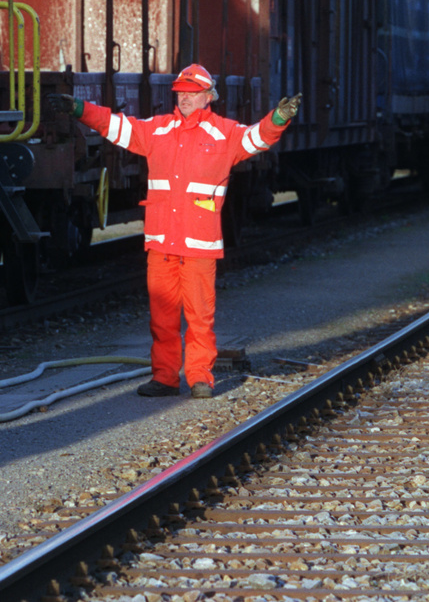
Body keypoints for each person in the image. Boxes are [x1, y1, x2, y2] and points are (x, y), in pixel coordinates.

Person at [48, 64, 301, 398]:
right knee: (162, 316)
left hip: (198, 243)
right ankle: (165, 377)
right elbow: (114, 125)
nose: (184, 98)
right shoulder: (158, 130)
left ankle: (199, 378)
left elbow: (259, 136)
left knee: (200, 316)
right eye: (180, 93)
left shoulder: (225, 134)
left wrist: (279, 118)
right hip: (161, 241)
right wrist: (78, 108)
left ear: (208, 96)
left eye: (191, 93)